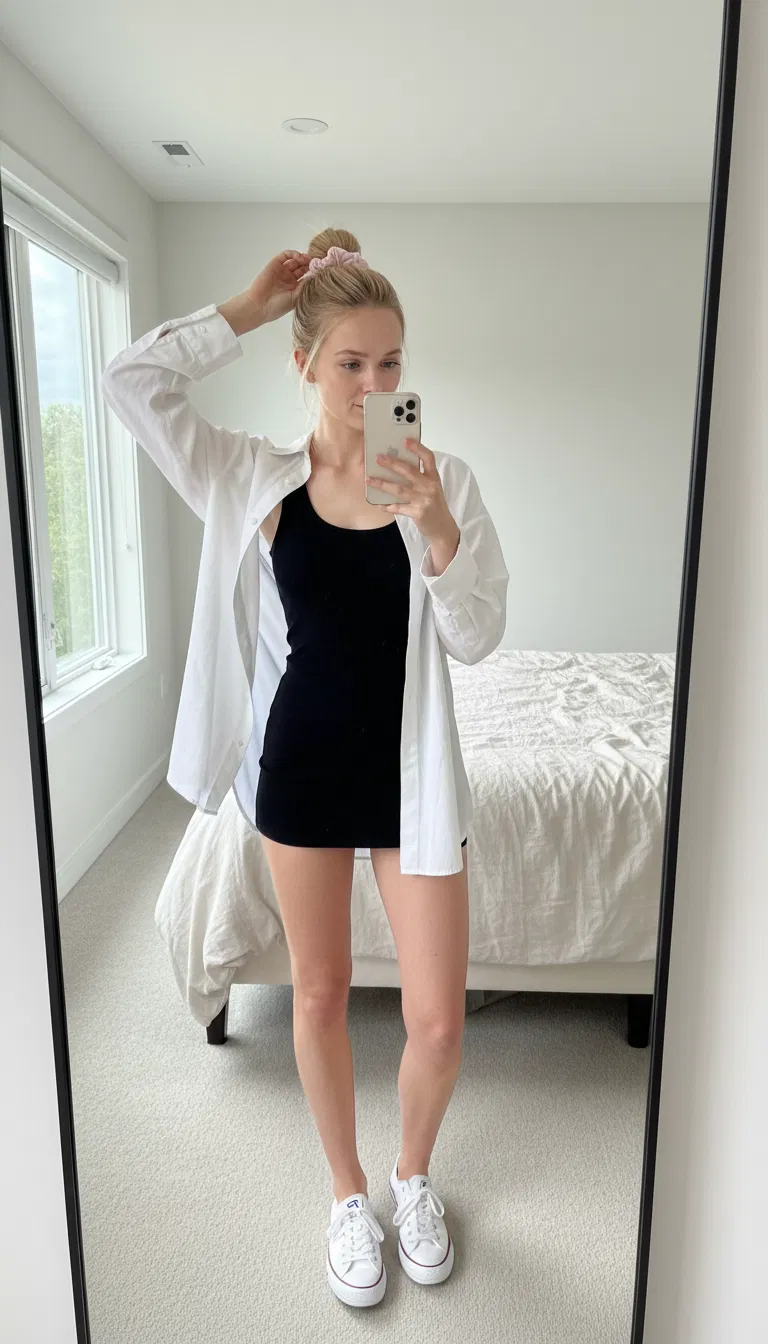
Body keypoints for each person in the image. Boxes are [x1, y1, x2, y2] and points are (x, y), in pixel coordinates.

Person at [100, 228, 508, 1309]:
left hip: (413, 782)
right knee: (318, 993)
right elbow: (130, 382)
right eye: (350, 363)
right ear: (305, 363)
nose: (374, 385)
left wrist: (437, 528)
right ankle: (346, 1194)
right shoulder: (252, 476)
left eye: (391, 362)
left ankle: (412, 1175)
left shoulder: (443, 479)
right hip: (302, 775)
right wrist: (246, 306)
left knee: (438, 1021)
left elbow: (477, 639)